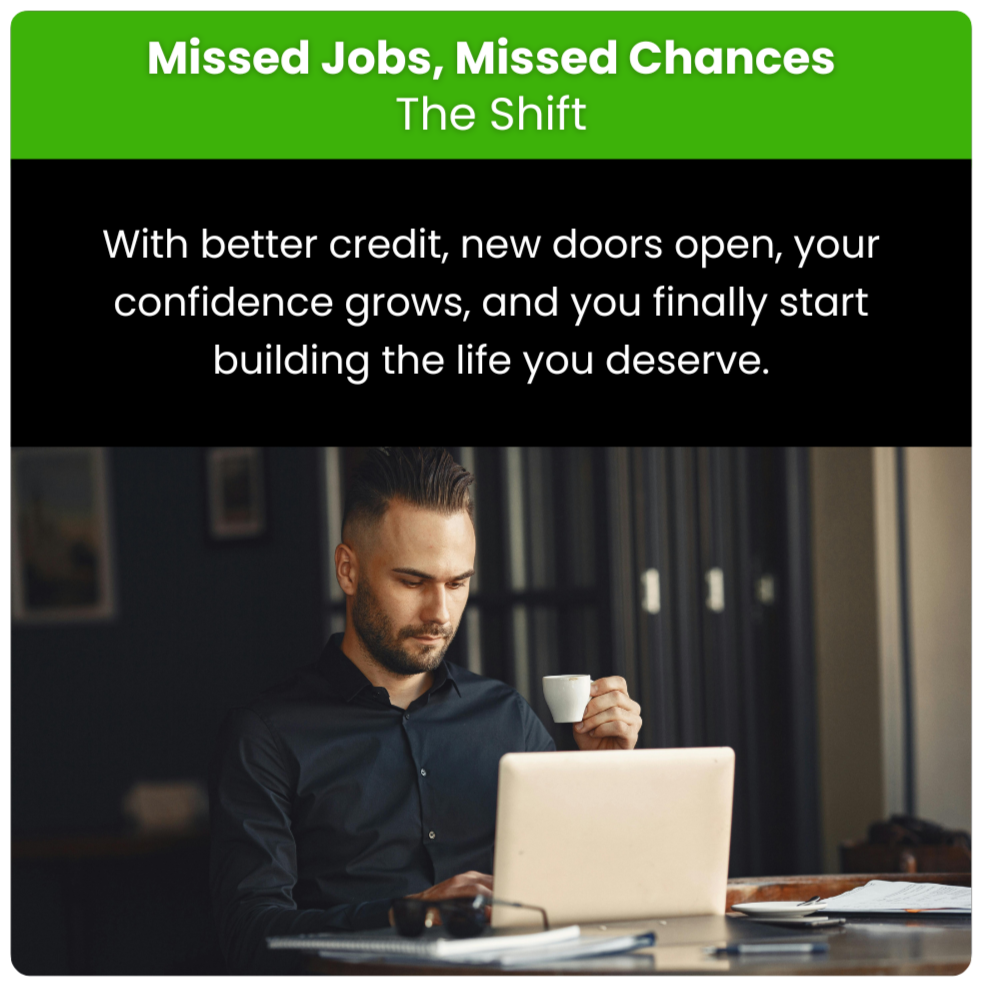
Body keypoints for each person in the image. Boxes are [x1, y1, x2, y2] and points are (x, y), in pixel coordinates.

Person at [209, 447, 642, 974]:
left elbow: (589, 895)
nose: (440, 613)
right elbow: (251, 935)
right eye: (413, 582)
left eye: (457, 583)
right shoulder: (266, 737)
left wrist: (602, 773)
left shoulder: (507, 717)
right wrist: (409, 915)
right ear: (348, 570)